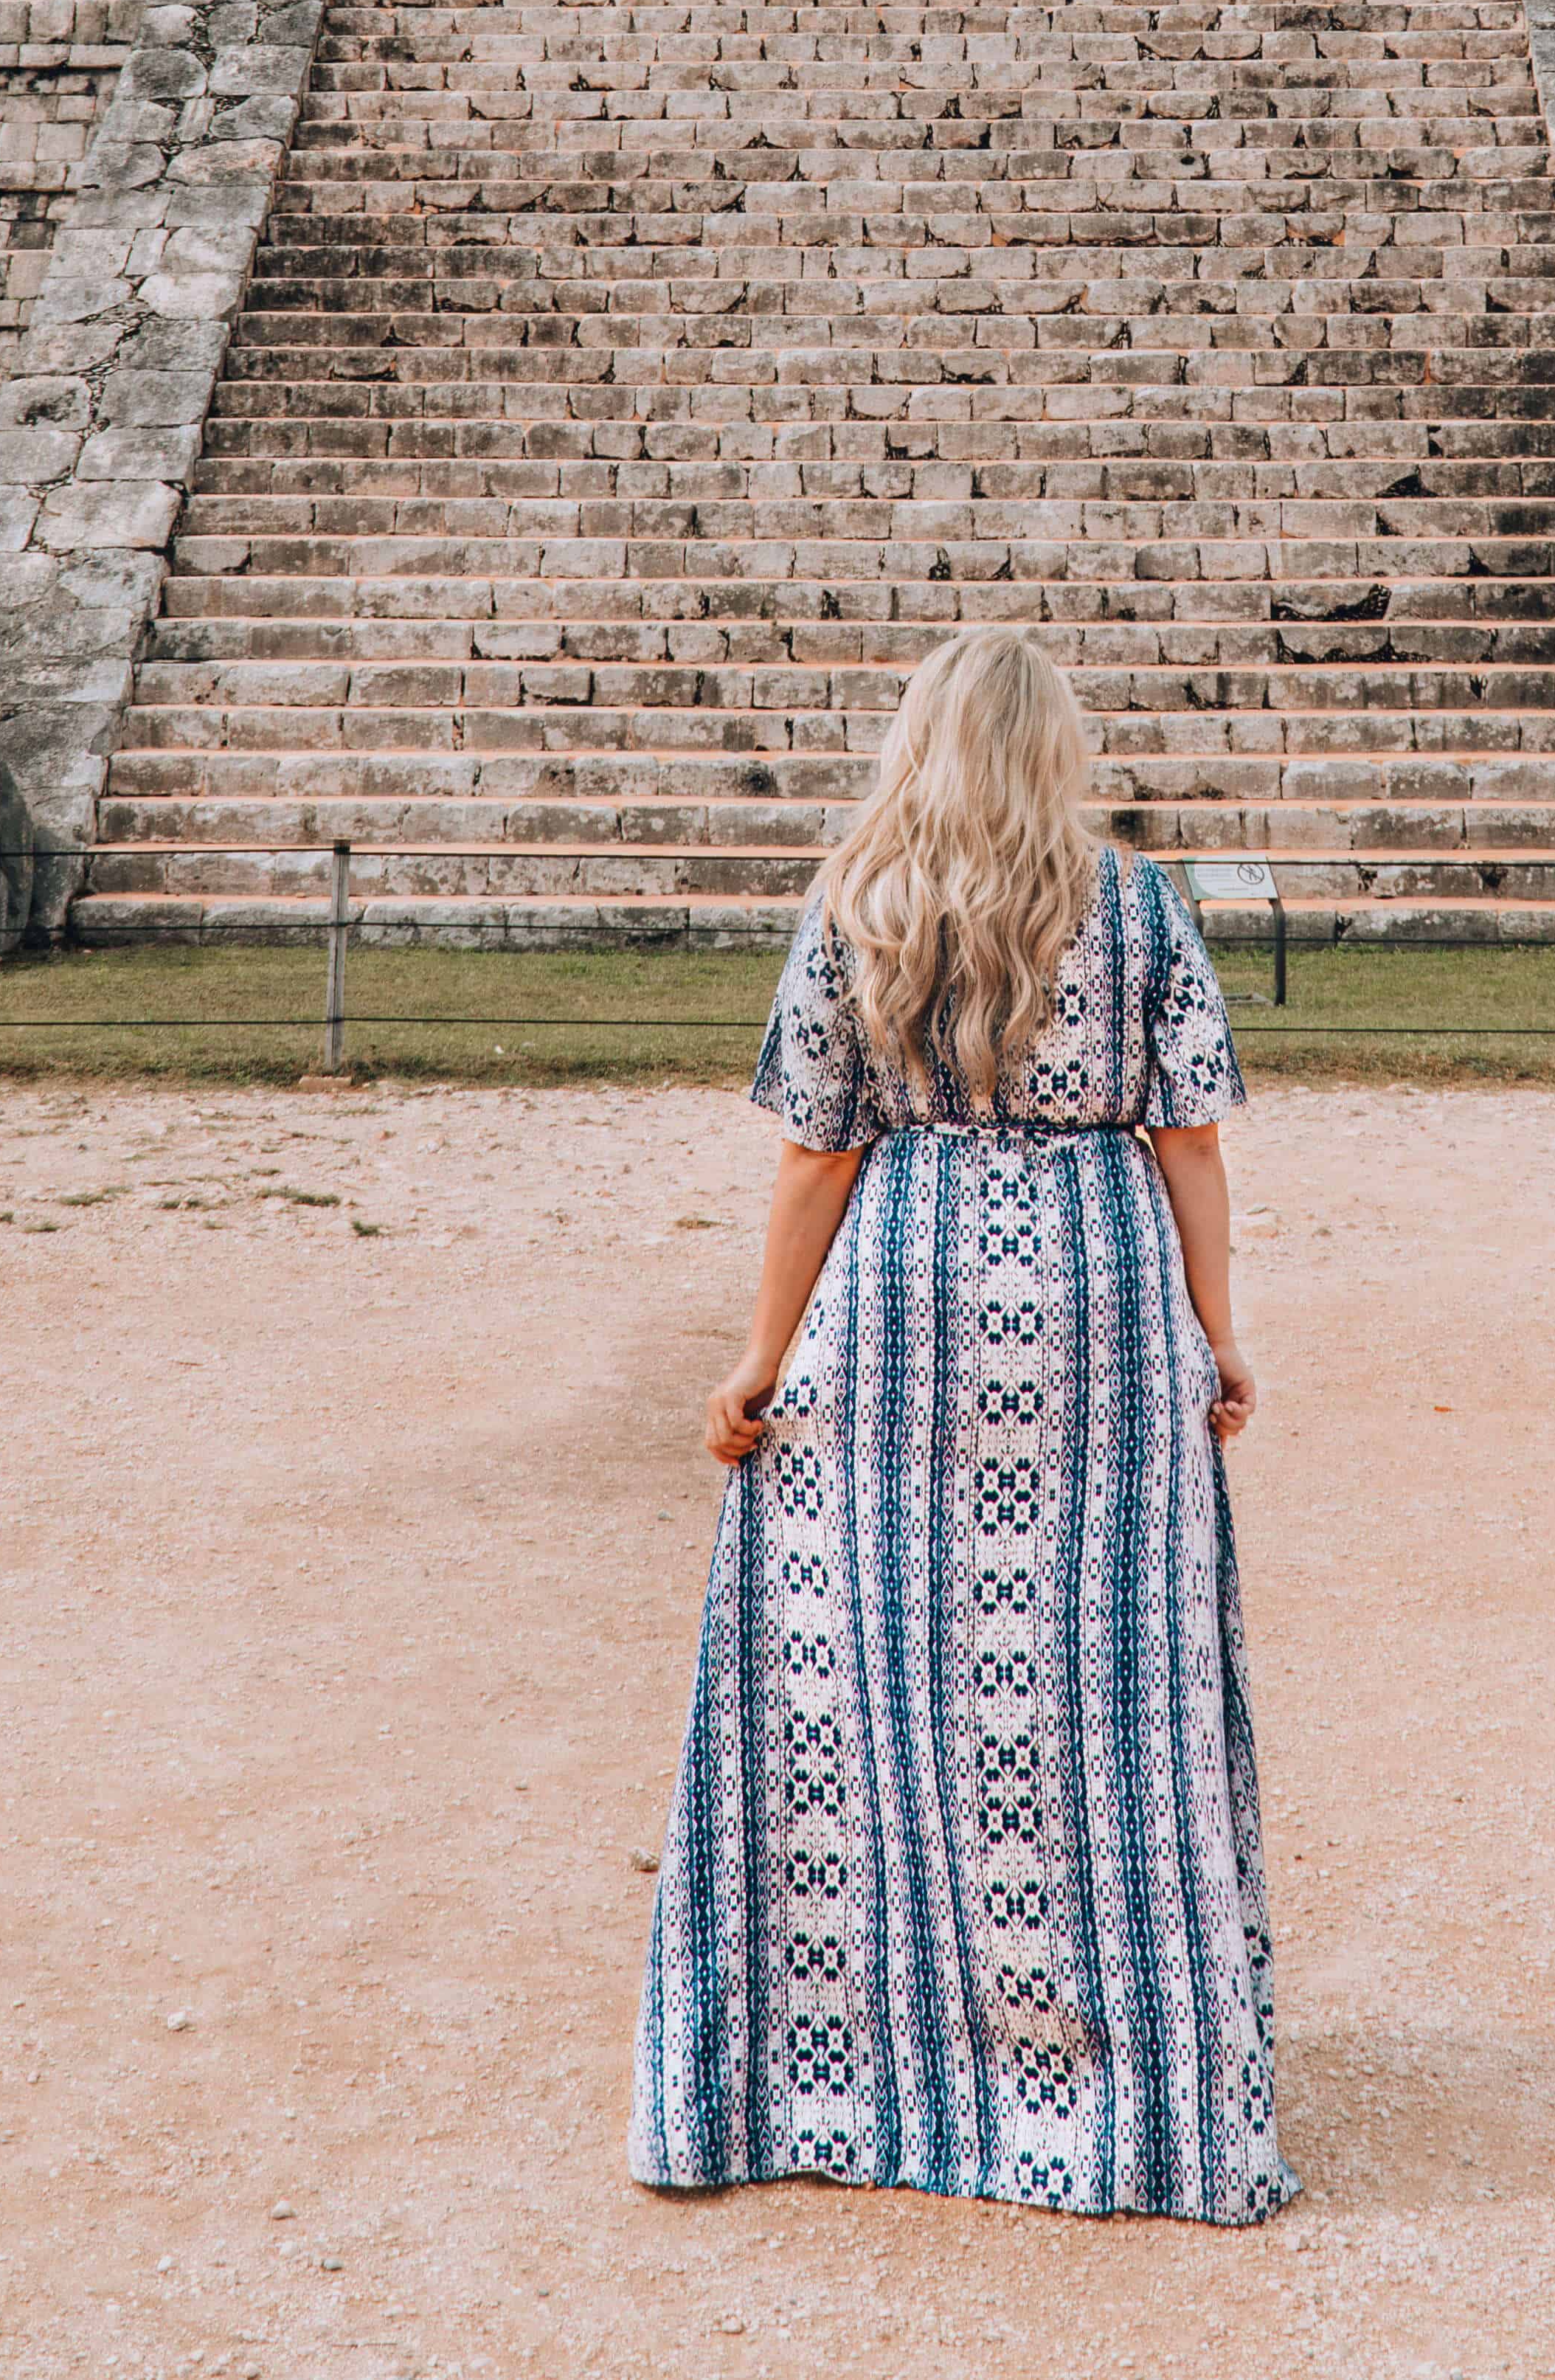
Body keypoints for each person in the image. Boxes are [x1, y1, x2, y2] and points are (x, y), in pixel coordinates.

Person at [629, 624, 1295, 2226]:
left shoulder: (858, 900)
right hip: (1099, 1295)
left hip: (899, 1296)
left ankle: (847, 2068)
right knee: (1108, 1684)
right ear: (1054, 743)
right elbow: (1189, 1137)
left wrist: (760, 1356)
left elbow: (816, 1151)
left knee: (863, 1675)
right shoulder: (1137, 901)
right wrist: (1215, 1330)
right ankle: (1132, 2080)